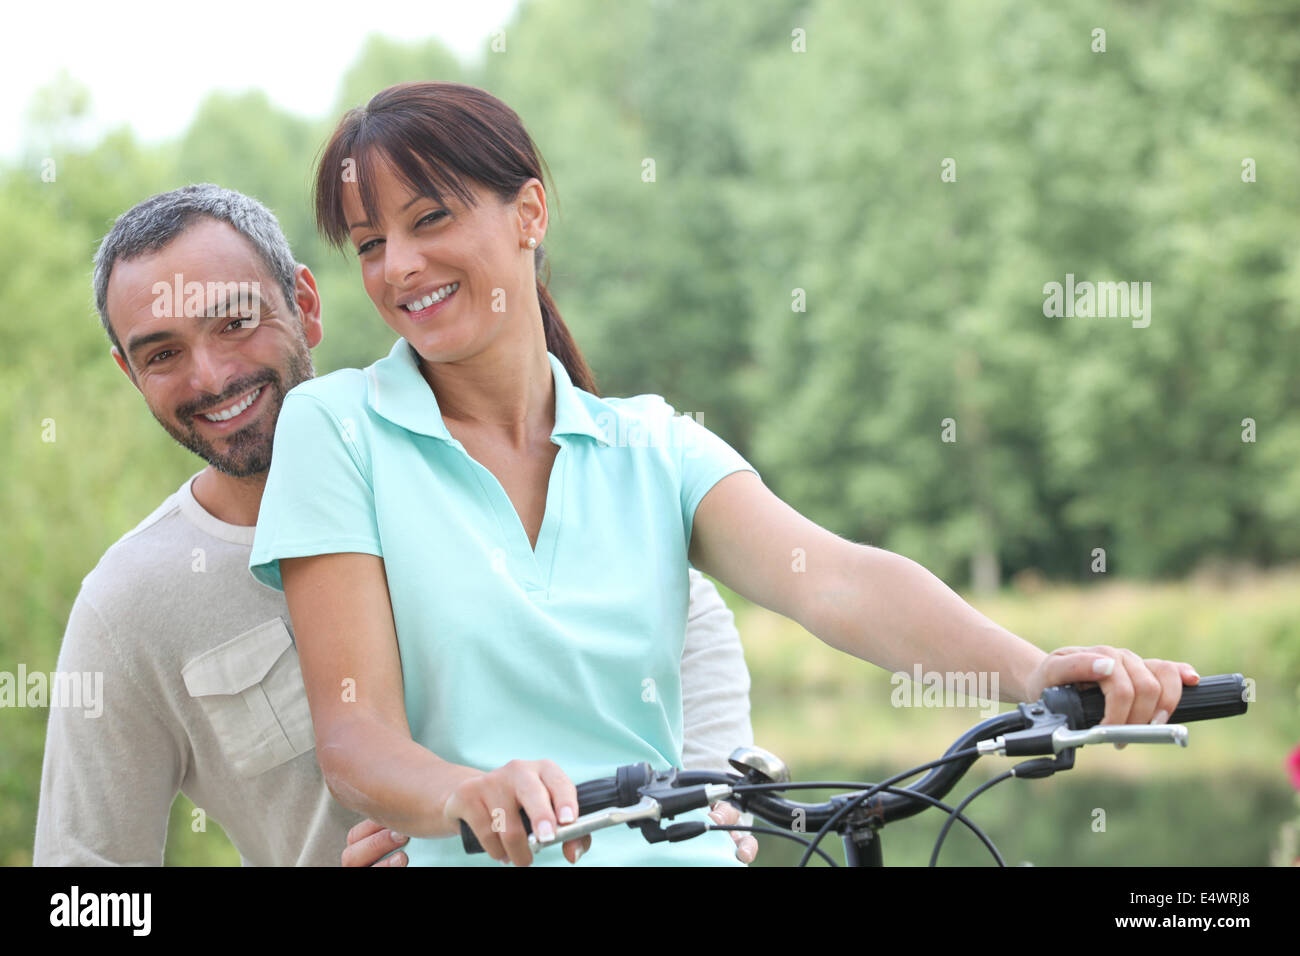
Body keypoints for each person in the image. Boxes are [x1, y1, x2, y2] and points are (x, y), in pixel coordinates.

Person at [248, 82, 1202, 868]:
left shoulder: (651, 443)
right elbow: (355, 738)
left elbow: (830, 578)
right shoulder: (336, 431)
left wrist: (1031, 672)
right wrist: (462, 791)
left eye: (430, 219)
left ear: (530, 212)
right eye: (371, 244)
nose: (400, 266)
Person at [32, 183, 759, 866]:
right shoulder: (128, 605)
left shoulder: (455, 463)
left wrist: (713, 800)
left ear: (306, 304)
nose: (212, 376)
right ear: (129, 373)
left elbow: (686, 612)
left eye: (236, 321)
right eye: (162, 354)